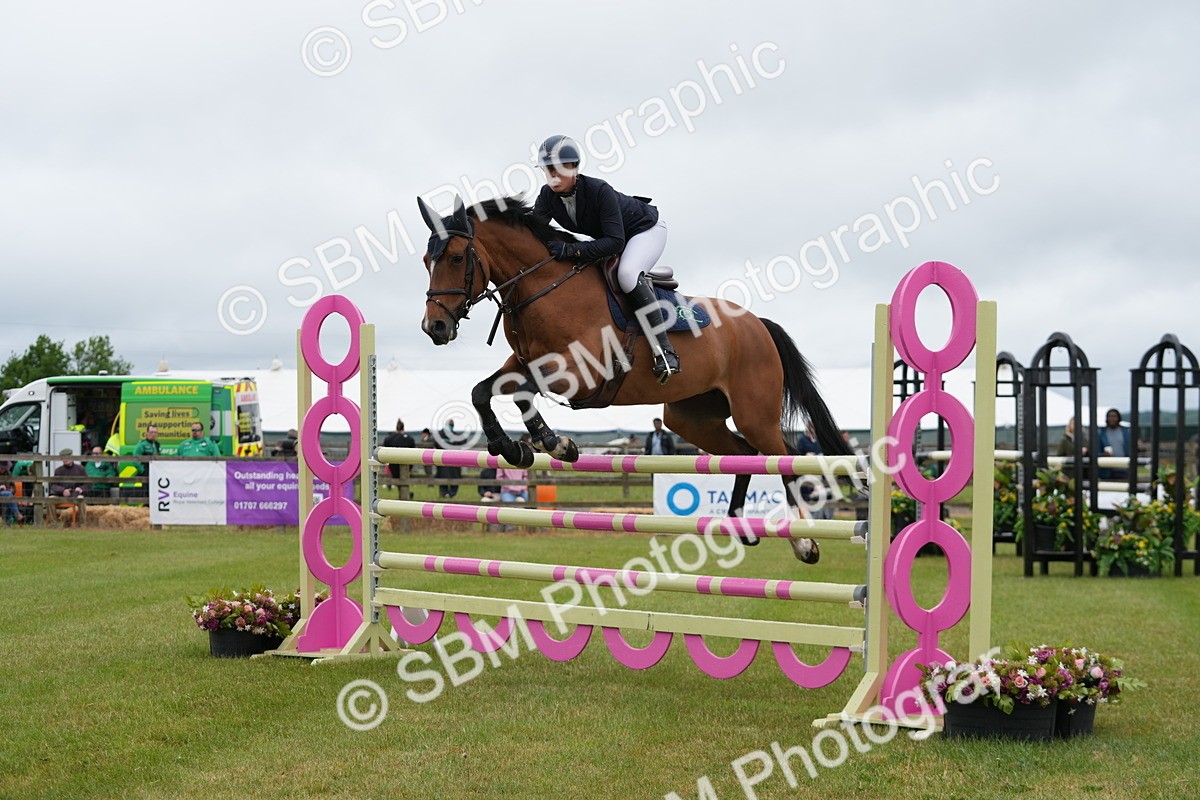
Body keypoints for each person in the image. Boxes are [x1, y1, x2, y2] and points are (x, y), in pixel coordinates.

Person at [530, 134, 679, 384]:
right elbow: (533, 236)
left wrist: (570, 251)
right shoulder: (547, 196)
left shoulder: (599, 190)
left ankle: (665, 353)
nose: (552, 175)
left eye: (557, 168)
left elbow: (615, 242)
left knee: (628, 274)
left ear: (573, 167)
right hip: (614, 237)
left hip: (645, 230)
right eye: (547, 170)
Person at [50, 448, 87, 527]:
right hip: (61, 495)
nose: (65, 460)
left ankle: (82, 524)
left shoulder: (80, 469)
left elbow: (87, 484)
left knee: (81, 499)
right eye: (63, 458)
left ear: (72, 457)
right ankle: (53, 524)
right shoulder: (58, 471)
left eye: (67, 457)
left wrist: (81, 489)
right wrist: (62, 490)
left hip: (75, 495)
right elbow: (53, 485)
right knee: (50, 499)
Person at [1097, 408, 1130, 480]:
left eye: (1114, 416)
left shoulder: (1126, 432)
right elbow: (1096, 451)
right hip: (1106, 470)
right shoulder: (1101, 433)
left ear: (1118, 418)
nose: (1112, 418)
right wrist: (1103, 454)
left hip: (1123, 469)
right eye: (1110, 416)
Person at [381, 419, 416, 483]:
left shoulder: (389, 439)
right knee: (404, 480)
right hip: (407, 463)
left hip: (393, 463)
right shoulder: (409, 439)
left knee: (397, 479)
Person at [0, 460, 19, 526]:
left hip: (6, 494)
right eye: (2, 468)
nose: (3, 469)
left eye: (4, 468)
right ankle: (17, 515)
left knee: (9, 497)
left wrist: (11, 490)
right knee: (9, 496)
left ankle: (7, 523)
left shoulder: (8, 474)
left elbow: (13, 487)